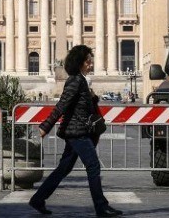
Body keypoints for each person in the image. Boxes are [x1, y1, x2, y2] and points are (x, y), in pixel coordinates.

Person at [29, 45, 122, 217]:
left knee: (63, 168)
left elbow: (78, 106)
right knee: (93, 166)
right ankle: (101, 207)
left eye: (91, 61)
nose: (91, 64)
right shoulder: (75, 81)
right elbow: (62, 105)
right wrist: (45, 127)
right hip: (77, 132)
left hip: (77, 131)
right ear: (79, 62)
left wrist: (92, 97)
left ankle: (38, 199)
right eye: (88, 61)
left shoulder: (80, 80)